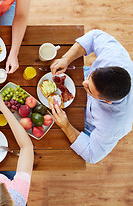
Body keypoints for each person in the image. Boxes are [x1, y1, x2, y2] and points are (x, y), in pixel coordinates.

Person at [50, 29, 133, 163]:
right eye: (90, 77)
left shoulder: (114, 125)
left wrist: (66, 126)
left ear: (106, 101)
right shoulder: (115, 56)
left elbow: (92, 155)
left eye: (88, 88)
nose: (84, 83)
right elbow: (94, 36)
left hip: (88, 120)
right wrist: (66, 59)